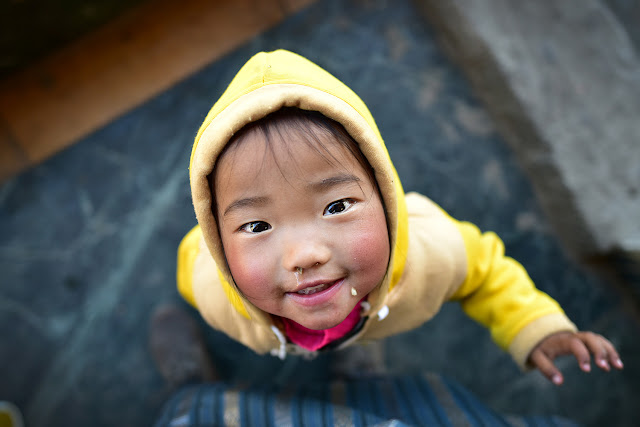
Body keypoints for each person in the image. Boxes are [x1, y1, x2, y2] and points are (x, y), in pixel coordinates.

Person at [176, 49, 622, 386]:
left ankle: (349, 355)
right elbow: (191, 259)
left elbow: (487, 273)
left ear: (386, 198)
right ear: (218, 242)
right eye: (257, 226)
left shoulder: (433, 254)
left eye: (337, 207)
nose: (304, 255)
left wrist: (534, 327)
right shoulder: (212, 288)